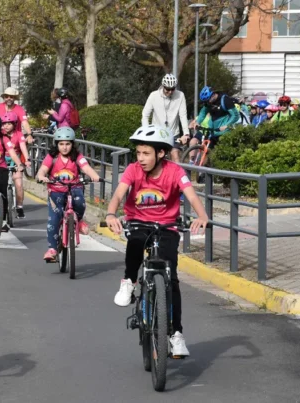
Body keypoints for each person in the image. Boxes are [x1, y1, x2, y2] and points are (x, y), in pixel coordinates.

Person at [105, 125, 209, 358]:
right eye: (138, 153)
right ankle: (129, 282)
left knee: (171, 278)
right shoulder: (133, 170)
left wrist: (202, 216)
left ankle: (176, 335)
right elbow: (118, 195)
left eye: (146, 153)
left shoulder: (174, 171)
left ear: (160, 153)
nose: (140, 158)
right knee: (135, 243)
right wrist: (111, 214)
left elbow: (191, 195)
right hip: (138, 222)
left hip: (166, 226)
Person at [35, 127, 101, 262]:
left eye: (67, 144)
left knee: (80, 203)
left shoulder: (77, 157)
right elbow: (42, 170)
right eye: (61, 144)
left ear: (72, 144)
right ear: (56, 144)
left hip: (74, 188)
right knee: (54, 218)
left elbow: (86, 167)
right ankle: (52, 249)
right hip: (56, 190)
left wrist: (94, 176)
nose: (64, 147)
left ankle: (79, 220)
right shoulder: (52, 157)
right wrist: (42, 176)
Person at [187, 86, 240, 167]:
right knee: (206, 152)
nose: (207, 103)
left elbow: (235, 116)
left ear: (213, 95)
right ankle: (204, 174)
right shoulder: (207, 103)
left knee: (222, 155)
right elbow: (202, 113)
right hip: (213, 131)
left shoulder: (225, 100)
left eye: (208, 100)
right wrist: (197, 122)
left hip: (224, 132)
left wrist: (227, 125)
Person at [142, 74, 189, 163]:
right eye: (167, 89)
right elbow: (145, 115)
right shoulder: (153, 95)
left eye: (173, 89)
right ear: (163, 86)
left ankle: (177, 177)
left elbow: (183, 115)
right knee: (156, 159)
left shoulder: (180, 95)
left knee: (175, 155)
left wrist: (186, 133)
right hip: (157, 133)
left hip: (173, 133)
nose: (170, 92)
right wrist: (146, 131)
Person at [0, 112, 31, 218]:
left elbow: (23, 147)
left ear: (14, 124)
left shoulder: (19, 134)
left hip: (15, 161)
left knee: (18, 184)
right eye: (4, 124)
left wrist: (27, 160)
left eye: (9, 123)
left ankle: (19, 207)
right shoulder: (0, 134)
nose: (6, 126)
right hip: (2, 161)